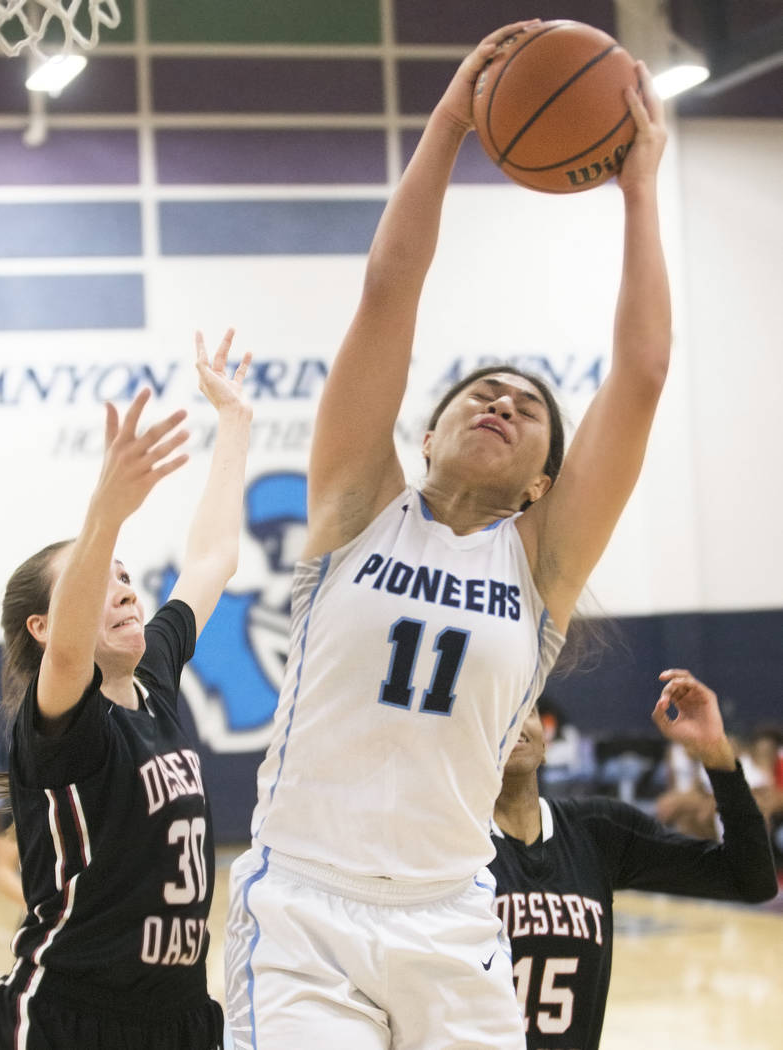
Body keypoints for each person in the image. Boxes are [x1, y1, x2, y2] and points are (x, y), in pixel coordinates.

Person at [226, 19, 670, 1050]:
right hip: (301, 907)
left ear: (546, 481)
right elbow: (388, 289)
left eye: (525, 406)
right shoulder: (354, 508)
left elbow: (640, 377)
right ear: (422, 432)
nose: (501, 402)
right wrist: (446, 124)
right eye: (479, 391)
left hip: (450, 914)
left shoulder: (537, 565)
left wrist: (640, 191)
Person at [0, 331, 253, 1050]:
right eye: (99, 578)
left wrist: (235, 422)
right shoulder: (65, 720)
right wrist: (105, 515)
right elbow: (72, 649)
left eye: (126, 575)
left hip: (180, 1015)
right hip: (69, 1017)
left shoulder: (156, 679)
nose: (124, 589)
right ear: (43, 626)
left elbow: (211, 559)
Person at [489, 669, 778, 1050]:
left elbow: (749, 878)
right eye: (496, 713)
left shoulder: (596, 830)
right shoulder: (445, 844)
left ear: (546, 741)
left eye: (525, 709)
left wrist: (714, 751)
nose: (515, 724)